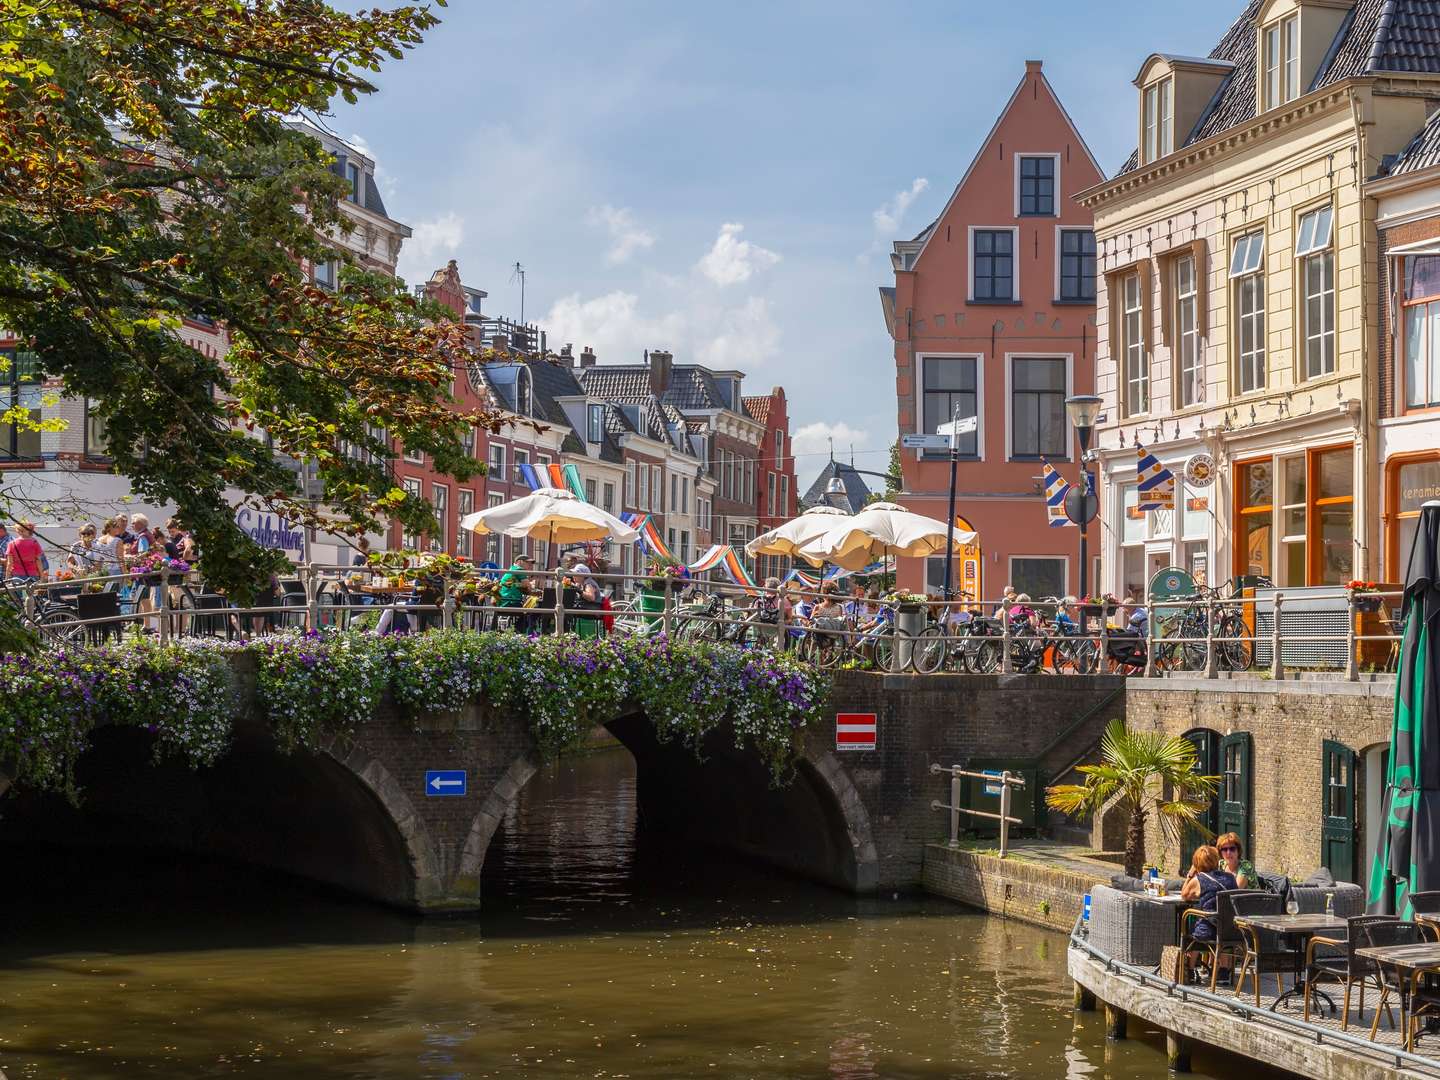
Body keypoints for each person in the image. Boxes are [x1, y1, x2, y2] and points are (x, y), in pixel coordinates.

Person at [1180, 844, 1238, 949]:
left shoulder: (1199, 879)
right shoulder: (1231, 877)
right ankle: (1222, 965)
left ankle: (1188, 964)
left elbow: (1184, 895)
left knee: (1187, 920)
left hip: (1208, 932)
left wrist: (1190, 874)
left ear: (1196, 863)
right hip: (1232, 932)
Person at [4, 519, 48, 584]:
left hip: (17, 575)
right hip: (32, 574)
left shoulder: (12, 544)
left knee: (18, 593)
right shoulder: (34, 542)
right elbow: (38, 560)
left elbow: (9, 563)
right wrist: (42, 576)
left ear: (18, 531)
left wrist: (7, 578)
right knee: (30, 593)